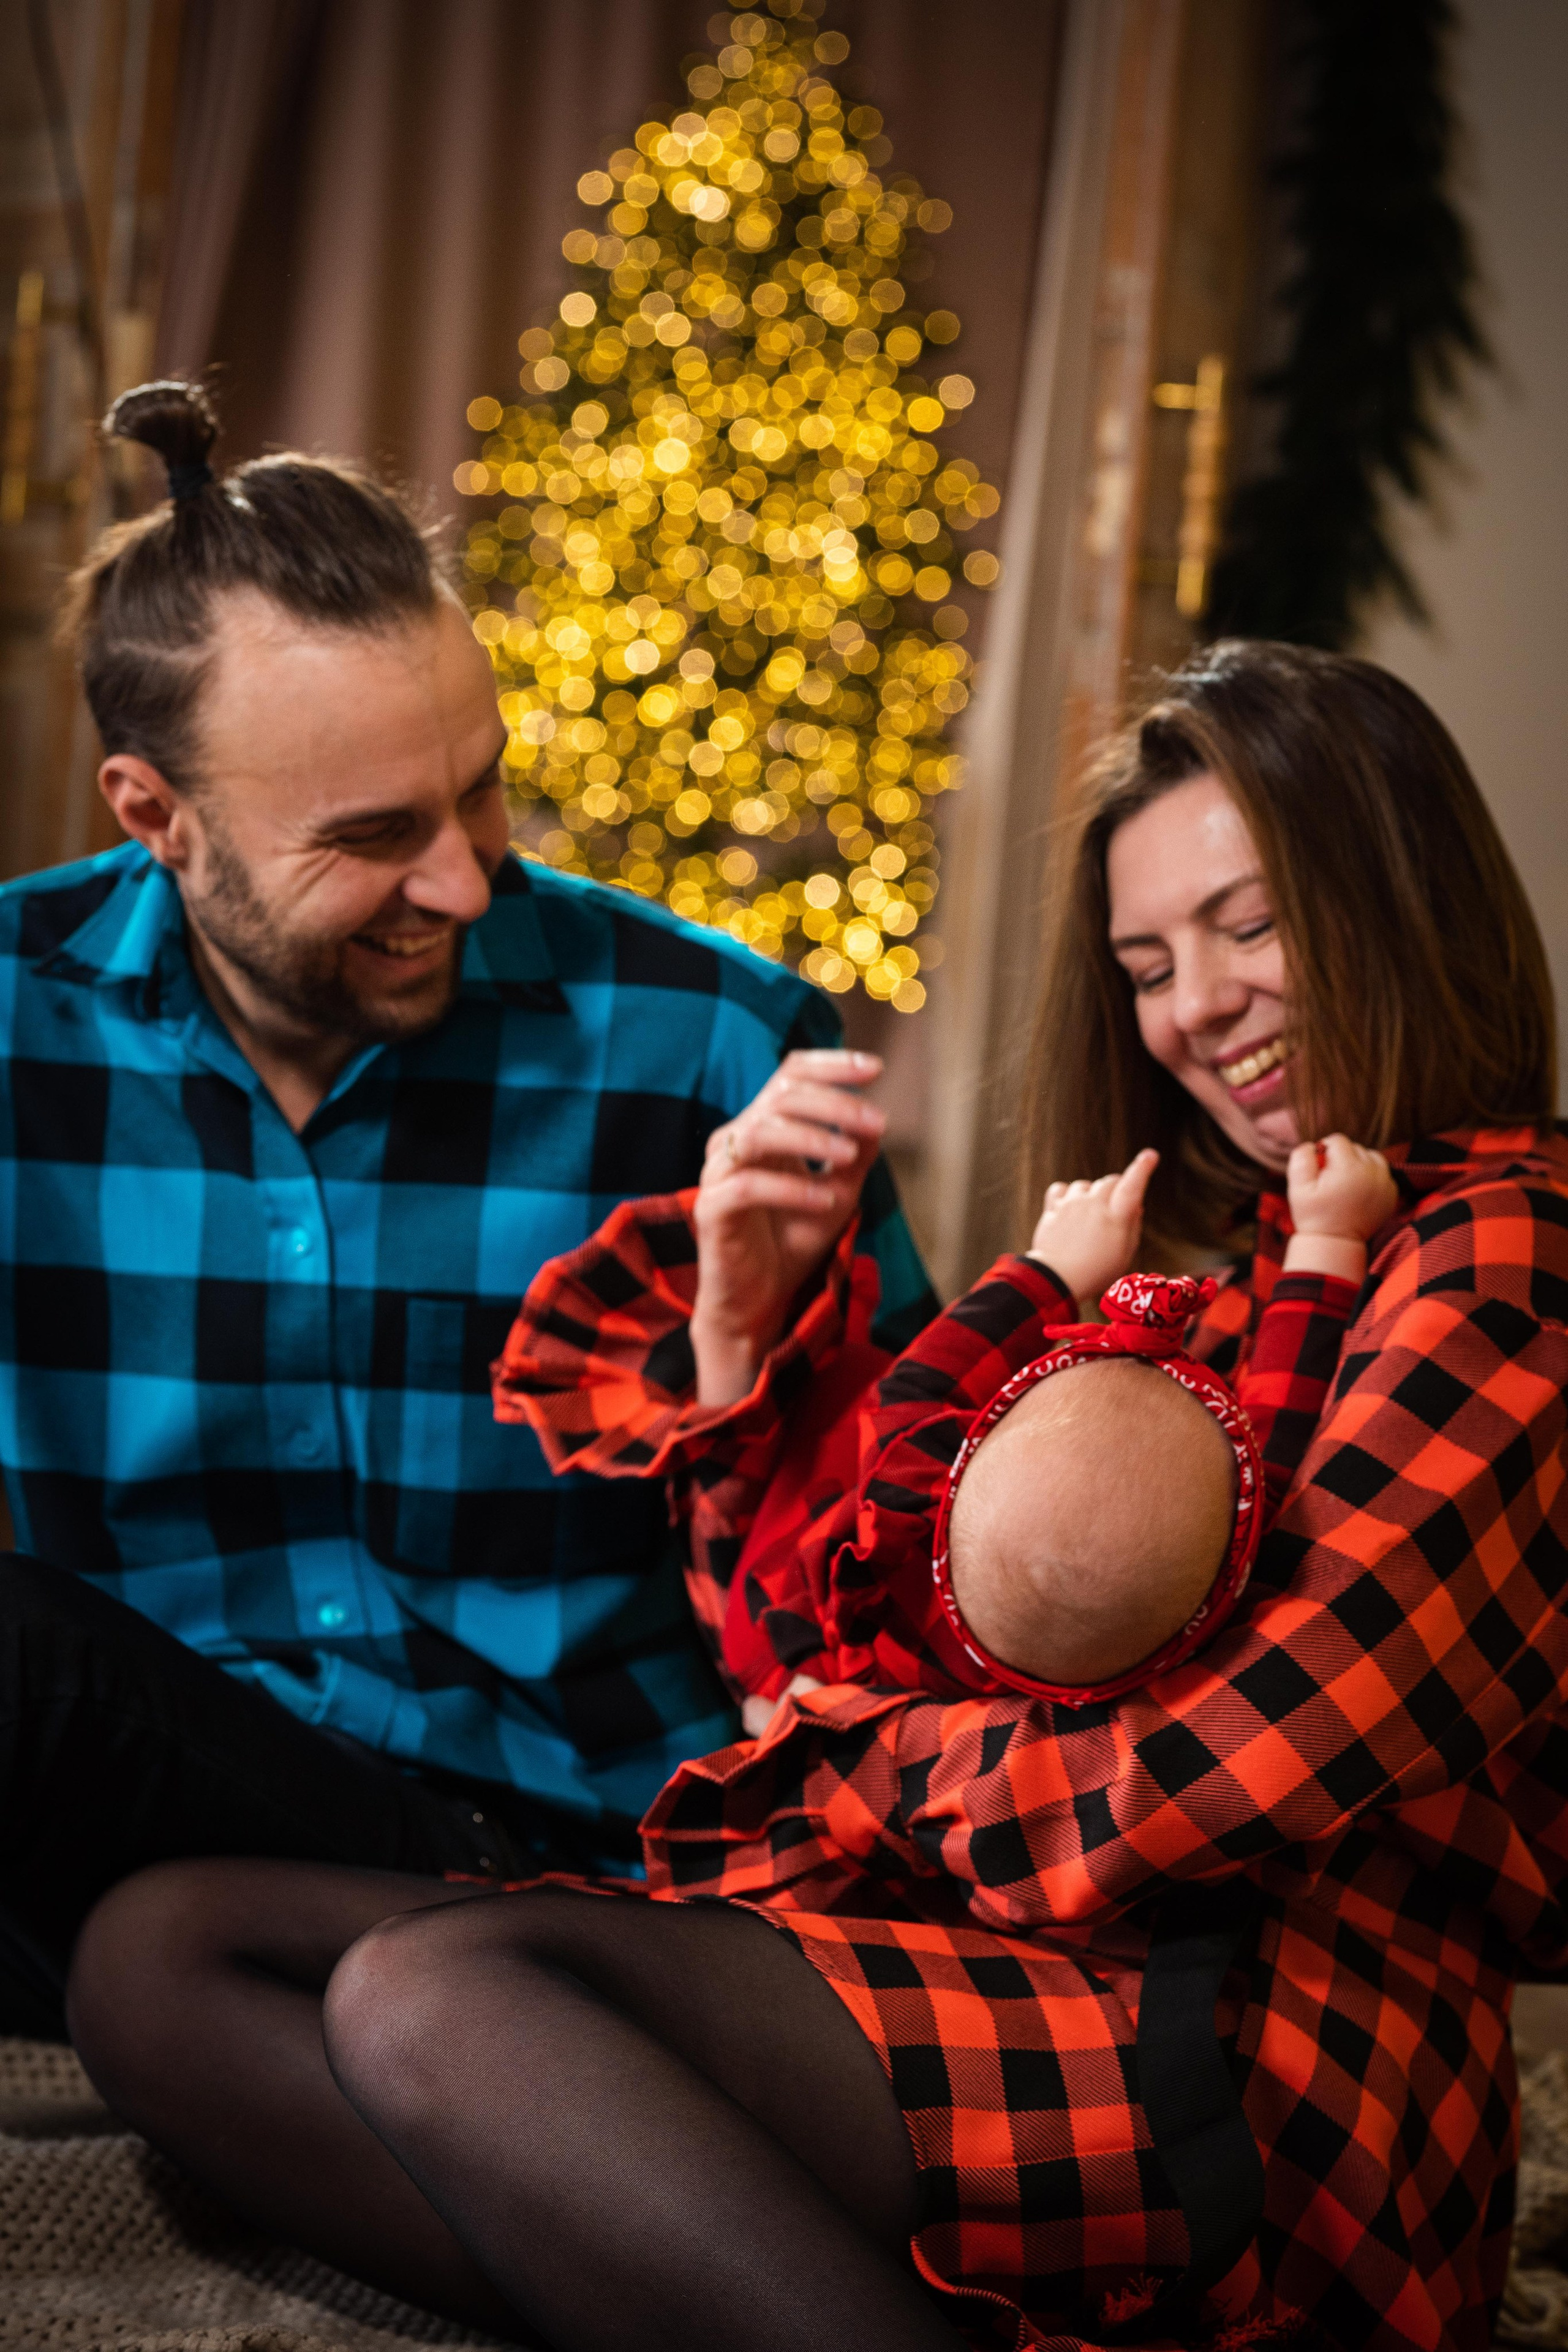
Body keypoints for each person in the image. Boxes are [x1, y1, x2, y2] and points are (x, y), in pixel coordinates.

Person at [65, 643, 1567, 2352]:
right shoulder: (1202, 1279)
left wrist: (861, 1768)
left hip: (1261, 2057)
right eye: (1149, 963)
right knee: (166, 1955)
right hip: (1025, 1964)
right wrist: (735, 1325)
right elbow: (829, 1623)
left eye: (1251, 927)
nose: (1193, 1008)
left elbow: (1234, 1771)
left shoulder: (1501, 1249)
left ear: (1396, 900)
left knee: (442, 1994)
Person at [0, 376, 931, 2043]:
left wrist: (754, 1361)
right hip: (116, 1830)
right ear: (156, 815)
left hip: (548, 1857)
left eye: (480, 792)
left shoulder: (715, 1049)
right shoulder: (14, 1025)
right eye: (373, 837)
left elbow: (909, 1592)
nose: (463, 879)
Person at [502, 1131, 1396, 1712]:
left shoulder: (903, 1492)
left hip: (780, 1602)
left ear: (963, 1457)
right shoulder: (1199, 1613)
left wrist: (1052, 1265)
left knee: (794, 1410)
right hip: (823, 1666)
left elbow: (924, 1379)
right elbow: (1285, 1406)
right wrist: (1331, 1241)